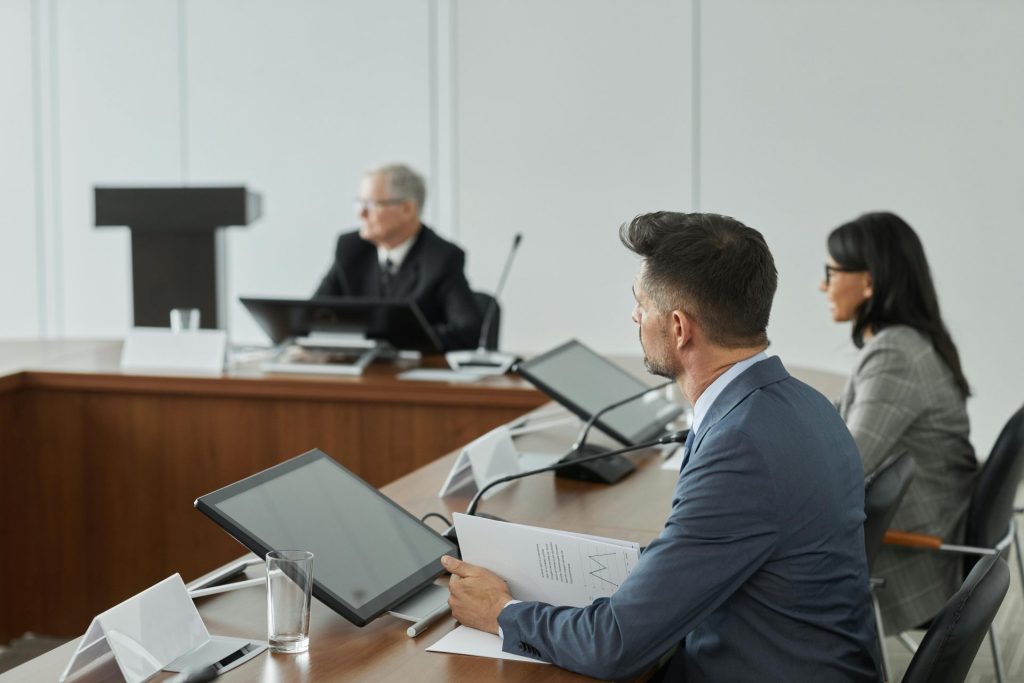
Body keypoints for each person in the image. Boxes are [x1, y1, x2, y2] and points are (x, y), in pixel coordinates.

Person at [443, 212, 880, 681]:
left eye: (640, 303)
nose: (634, 316)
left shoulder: (742, 448)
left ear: (678, 327)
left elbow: (613, 646)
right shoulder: (801, 404)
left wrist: (501, 611)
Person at [821, 211, 977, 634]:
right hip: (930, 528)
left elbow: (846, 463)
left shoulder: (895, 354)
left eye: (831, 272)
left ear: (869, 281)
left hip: (913, 560)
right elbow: (838, 418)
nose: (823, 285)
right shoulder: (907, 341)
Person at [314, 164, 483, 351]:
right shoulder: (350, 249)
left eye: (372, 205)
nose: (361, 213)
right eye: (359, 203)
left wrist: (391, 342)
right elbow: (310, 317)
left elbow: (468, 332)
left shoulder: (442, 258)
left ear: (407, 209)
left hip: (414, 373)